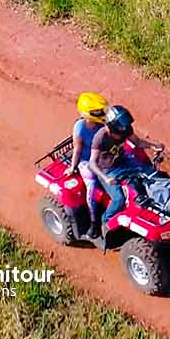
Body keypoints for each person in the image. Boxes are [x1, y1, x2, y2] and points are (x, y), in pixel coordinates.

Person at [86, 104, 163, 245]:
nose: (124, 132)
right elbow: (92, 163)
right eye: (120, 130)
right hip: (107, 171)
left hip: (124, 161)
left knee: (152, 174)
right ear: (111, 127)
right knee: (119, 198)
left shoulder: (125, 130)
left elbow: (138, 142)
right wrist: (106, 178)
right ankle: (105, 222)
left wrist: (154, 145)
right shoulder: (100, 138)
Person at [69, 92, 109, 238]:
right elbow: (77, 149)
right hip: (87, 161)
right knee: (92, 186)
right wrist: (73, 167)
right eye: (97, 111)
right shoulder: (80, 128)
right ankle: (94, 222)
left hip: (102, 154)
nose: (101, 113)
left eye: (101, 110)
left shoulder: (101, 123)